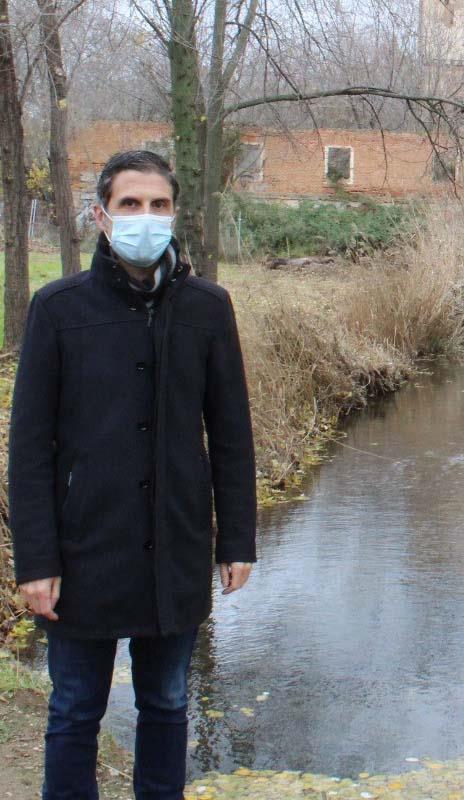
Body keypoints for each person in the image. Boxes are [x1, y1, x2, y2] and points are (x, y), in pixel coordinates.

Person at [9, 150, 257, 800]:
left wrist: (236, 541)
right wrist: (35, 559)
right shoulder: (58, 308)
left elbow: (231, 435)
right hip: (81, 549)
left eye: (157, 205)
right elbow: (29, 447)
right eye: (130, 205)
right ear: (101, 215)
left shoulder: (208, 308)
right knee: (73, 712)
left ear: (174, 214)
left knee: (168, 704)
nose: (145, 217)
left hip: (173, 548)